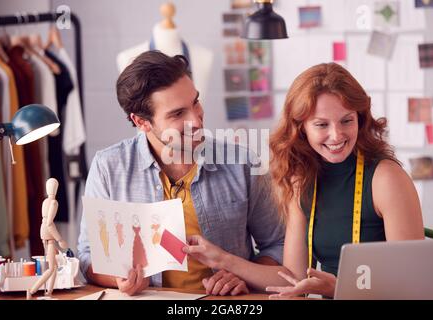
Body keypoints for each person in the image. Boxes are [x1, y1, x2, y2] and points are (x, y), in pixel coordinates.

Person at [183, 62, 425, 298]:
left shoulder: (385, 179)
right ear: (301, 129)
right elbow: (292, 278)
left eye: (347, 120)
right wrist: (222, 260)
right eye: (321, 124)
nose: (336, 134)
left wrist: (336, 288)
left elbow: (412, 283)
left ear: (359, 119)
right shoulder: (303, 179)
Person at [77, 51, 284, 296]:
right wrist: (119, 279)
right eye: (177, 114)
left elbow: (277, 244)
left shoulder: (243, 163)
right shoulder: (108, 168)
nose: (196, 120)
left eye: (195, 102)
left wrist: (243, 277)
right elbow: (88, 255)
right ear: (142, 122)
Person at [27, 178, 68, 299]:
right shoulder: (54, 203)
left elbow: (46, 222)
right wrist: (60, 239)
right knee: (51, 268)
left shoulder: (45, 201)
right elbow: (50, 223)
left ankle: (49, 291)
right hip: (49, 233)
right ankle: (32, 290)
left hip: (43, 231)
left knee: (54, 266)